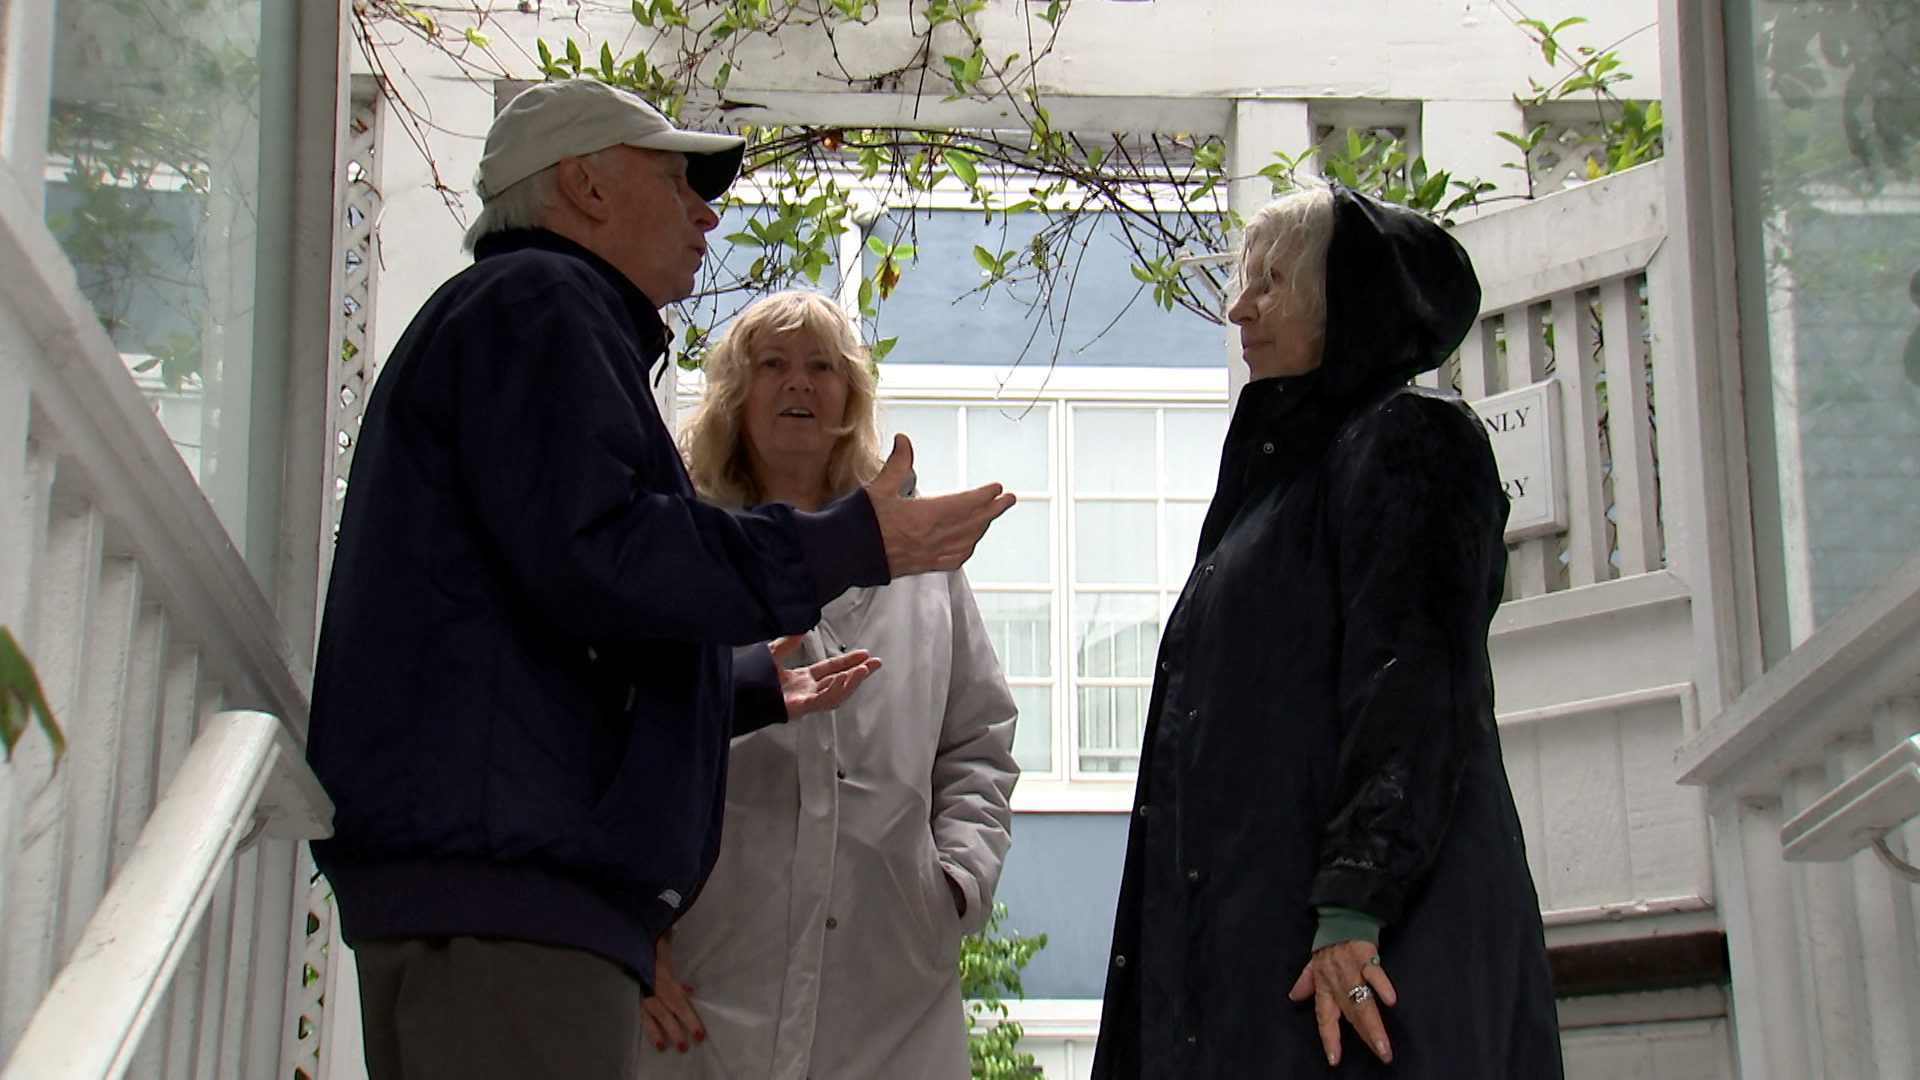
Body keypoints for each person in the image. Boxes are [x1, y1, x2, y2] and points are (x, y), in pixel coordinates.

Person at [305, 80, 1013, 1080]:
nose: (707, 212)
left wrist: (742, 690)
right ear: (585, 186)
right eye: (679, 182)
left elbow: (554, 623)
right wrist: (856, 544)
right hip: (511, 901)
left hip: (513, 893)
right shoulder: (539, 306)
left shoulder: (532, 318)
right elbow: (605, 558)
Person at [1091, 185, 1563, 1078]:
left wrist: (1357, 896)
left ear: (1345, 298)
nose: (1240, 308)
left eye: (1273, 282)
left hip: (1370, 952)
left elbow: (1414, 678)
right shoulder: (1278, 487)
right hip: (1283, 945)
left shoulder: (1407, 438)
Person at [634, 290, 1020, 1079]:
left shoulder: (918, 563)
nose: (798, 385)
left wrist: (954, 882)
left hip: (888, 987)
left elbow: (978, 739)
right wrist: (633, 931)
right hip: (708, 976)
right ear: (737, 396)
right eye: (771, 365)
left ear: (851, 397)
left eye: (821, 368)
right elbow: (619, 734)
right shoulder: (682, 547)